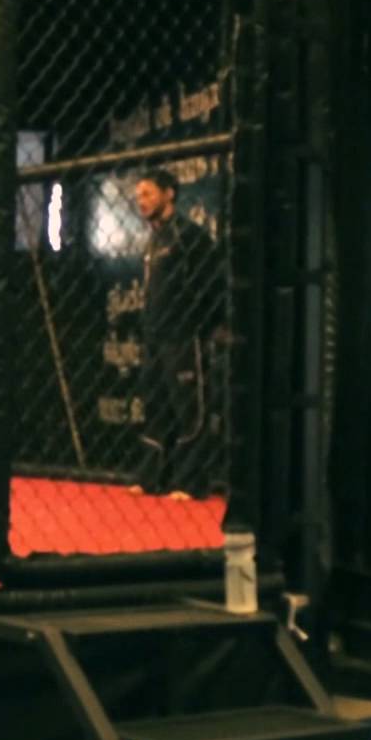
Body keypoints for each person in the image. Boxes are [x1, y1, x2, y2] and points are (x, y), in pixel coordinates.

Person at [130, 167, 226, 499]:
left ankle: (189, 482)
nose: (141, 201)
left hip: (185, 335)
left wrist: (208, 325)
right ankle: (151, 478)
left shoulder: (190, 236)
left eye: (148, 193)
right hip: (155, 337)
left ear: (169, 194)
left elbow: (212, 283)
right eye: (138, 196)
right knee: (156, 407)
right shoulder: (154, 240)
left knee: (190, 410)